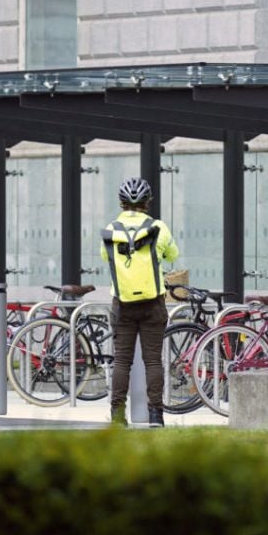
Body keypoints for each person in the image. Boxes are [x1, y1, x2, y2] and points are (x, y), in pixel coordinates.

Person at [100, 178, 179, 427]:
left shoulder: (111, 229)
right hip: (153, 303)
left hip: (122, 304)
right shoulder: (159, 228)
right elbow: (173, 255)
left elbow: (106, 258)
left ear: (121, 202)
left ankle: (117, 416)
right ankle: (156, 415)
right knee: (153, 360)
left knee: (123, 360)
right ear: (148, 202)